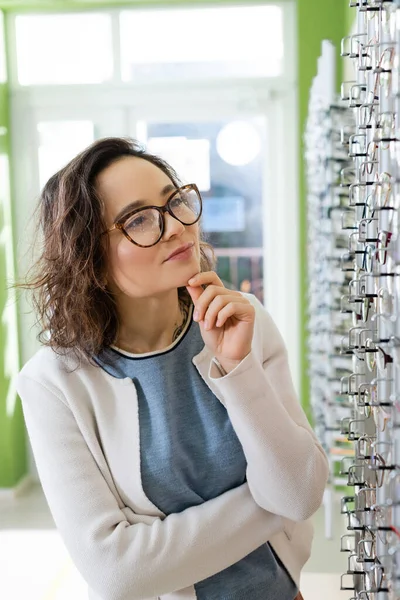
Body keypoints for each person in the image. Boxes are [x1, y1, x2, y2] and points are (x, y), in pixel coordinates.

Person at [16, 137, 328, 600]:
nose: (177, 227)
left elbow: (300, 497)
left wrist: (237, 368)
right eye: (139, 219)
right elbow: (118, 573)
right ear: (90, 260)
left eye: (175, 201)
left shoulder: (244, 321)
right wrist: (267, 499)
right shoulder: (52, 383)